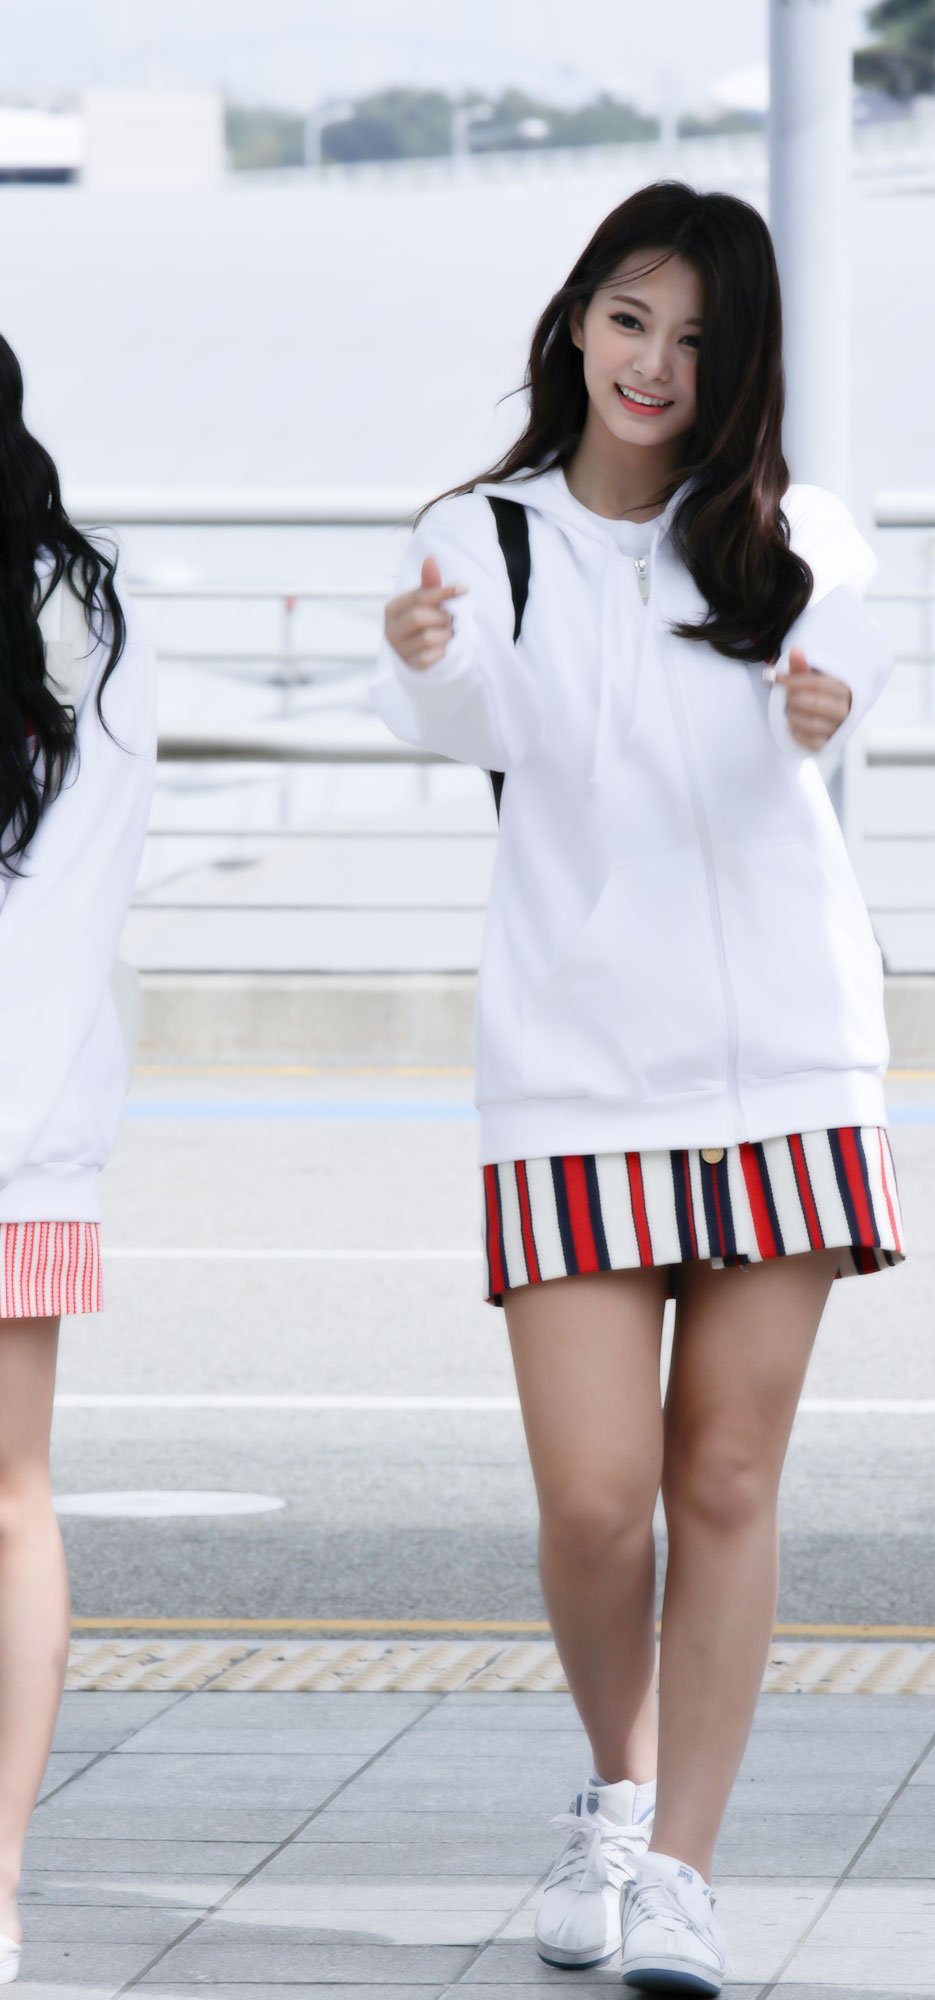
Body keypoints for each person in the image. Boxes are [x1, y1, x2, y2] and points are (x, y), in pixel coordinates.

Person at [370, 180, 905, 1997]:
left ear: (737, 359)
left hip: (785, 1068)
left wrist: (826, 703)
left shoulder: (792, 531)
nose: (652, 364)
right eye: (626, 319)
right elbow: (468, 714)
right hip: (574, 1074)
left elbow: (848, 662)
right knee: (599, 1499)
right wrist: (427, 663)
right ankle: (616, 1792)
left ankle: (681, 1868)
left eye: (692, 336)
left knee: (727, 1476)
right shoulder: (483, 534)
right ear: (576, 322)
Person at [0, 333, 157, 1987]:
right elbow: (91, 888)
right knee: (12, 1505)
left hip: (25, 1130)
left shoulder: (85, 614)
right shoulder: (98, 617)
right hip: (30, 1132)